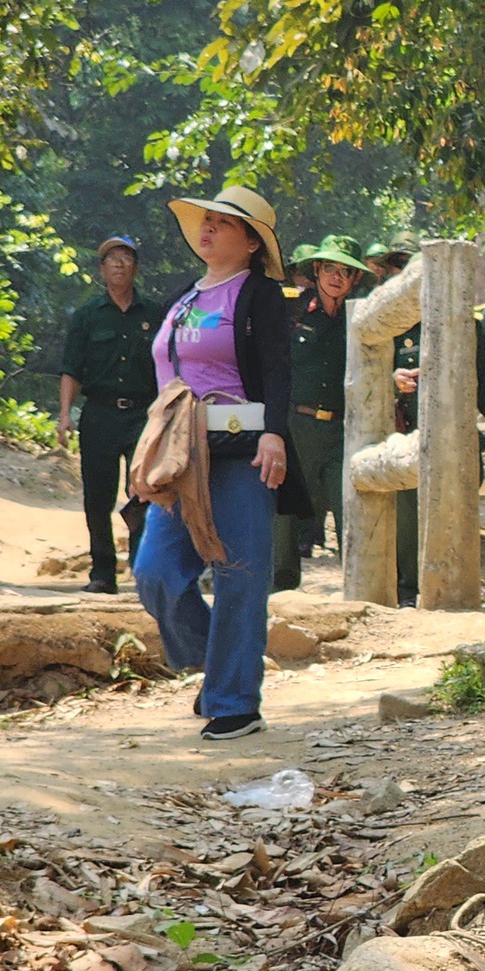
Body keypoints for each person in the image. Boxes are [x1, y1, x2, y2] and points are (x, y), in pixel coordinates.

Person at [132, 185, 313, 740]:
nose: (206, 230)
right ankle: (221, 663)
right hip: (180, 456)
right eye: (204, 222)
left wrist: (275, 435)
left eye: (222, 224)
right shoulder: (183, 295)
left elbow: (279, 370)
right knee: (155, 574)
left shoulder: (259, 295)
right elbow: (164, 378)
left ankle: (236, 702)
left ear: (252, 241)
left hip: (242, 451)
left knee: (240, 574)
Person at [389, 277, 485, 606]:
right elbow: (371, 372)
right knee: (409, 512)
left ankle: (456, 582)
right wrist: (393, 380)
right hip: (409, 435)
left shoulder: (465, 325)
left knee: (461, 502)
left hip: (457, 433)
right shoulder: (393, 323)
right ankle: (409, 589)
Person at [57, 235, 162, 594]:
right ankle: (102, 572)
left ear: (136, 268)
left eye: (126, 258)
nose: (119, 264)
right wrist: (64, 415)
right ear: (102, 270)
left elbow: (166, 366)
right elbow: (71, 368)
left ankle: (141, 568)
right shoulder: (87, 316)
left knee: (144, 490)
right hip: (99, 415)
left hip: (142, 416)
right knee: (97, 496)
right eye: (111, 259)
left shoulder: (153, 314)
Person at [272, 233, 365, 590]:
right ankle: (280, 588)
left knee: (350, 505)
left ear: (355, 279)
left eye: (346, 271)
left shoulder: (363, 318)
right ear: (316, 269)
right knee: (286, 511)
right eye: (330, 268)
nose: (336, 277)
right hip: (296, 424)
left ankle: (359, 587)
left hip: (343, 429)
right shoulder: (290, 309)